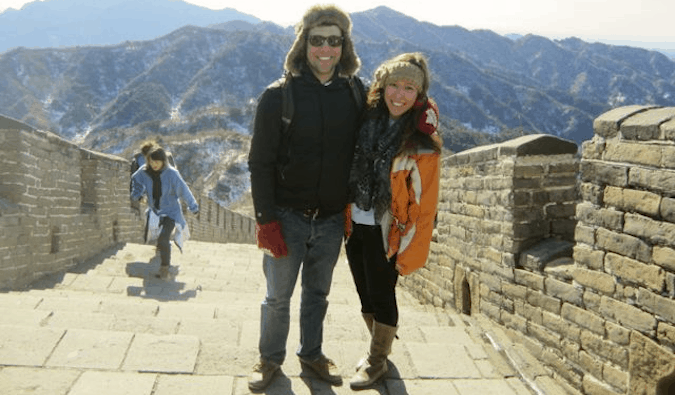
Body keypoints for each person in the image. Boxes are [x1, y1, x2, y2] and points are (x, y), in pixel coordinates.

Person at [247, 4, 364, 391]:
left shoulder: (353, 94)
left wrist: (423, 112)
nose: (326, 49)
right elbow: (260, 162)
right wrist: (266, 220)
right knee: (277, 298)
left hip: (331, 219)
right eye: (318, 41)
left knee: (318, 293)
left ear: (344, 45)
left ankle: (311, 354)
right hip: (286, 216)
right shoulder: (278, 97)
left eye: (335, 40)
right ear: (304, 43)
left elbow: (391, 116)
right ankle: (269, 360)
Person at [345, 52, 442, 389]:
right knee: (364, 293)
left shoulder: (421, 144)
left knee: (382, 295)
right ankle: (380, 350)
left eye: (409, 89)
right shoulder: (366, 121)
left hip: (388, 233)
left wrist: (409, 252)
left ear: (419, 96)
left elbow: (425, 205)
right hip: (355, 222)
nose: (399, 95)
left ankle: (376, 362)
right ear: (382, 86)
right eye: (394, 85)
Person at [130, 141, 199, 280]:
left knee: (163, 237)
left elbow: (184, 190)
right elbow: (134, 179)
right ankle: (162, 250)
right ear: (148, 160)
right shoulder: (143, 171)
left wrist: (193, 206)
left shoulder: (171, 173)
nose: (155, 164)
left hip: (171, 212)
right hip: (155, 211)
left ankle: (164, 268)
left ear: (163, 161)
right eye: (152, 161)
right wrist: (137, 195)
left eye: (158, 162)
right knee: (158, 237)